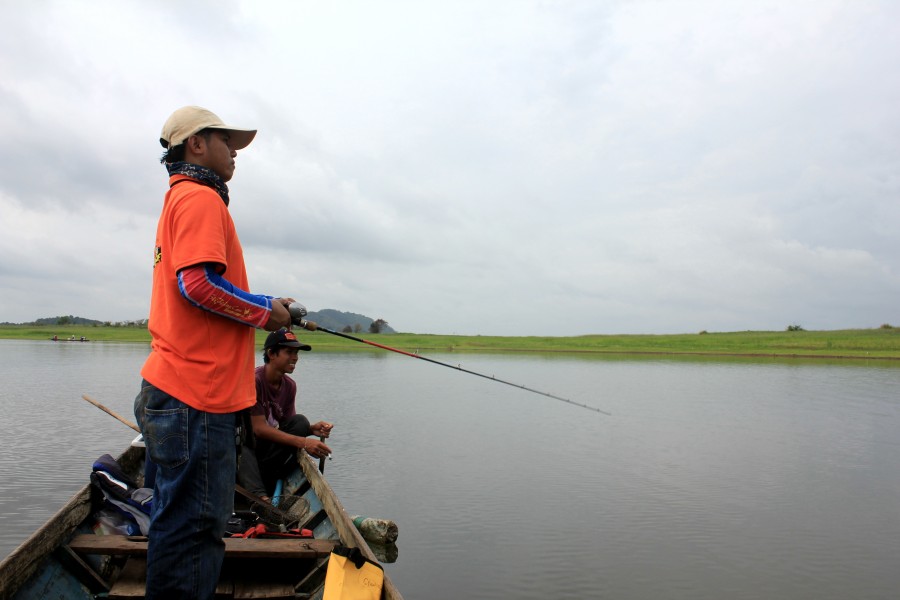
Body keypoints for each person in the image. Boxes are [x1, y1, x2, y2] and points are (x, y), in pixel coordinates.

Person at [134, 106, 297, 600]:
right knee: (199, 528)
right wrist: (266, 311)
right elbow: (199, 285)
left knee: (174, 523)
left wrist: (265, 305)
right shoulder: (202, 199)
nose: (235, 154)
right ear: (197, 145)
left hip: (173, 389)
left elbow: (200, 285)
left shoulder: (177, 200)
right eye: (228, 143)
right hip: (195, 397)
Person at [238, 328, 333, 502]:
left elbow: (287, 425)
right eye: (289, 352)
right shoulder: (255, 381)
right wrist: (304, 442)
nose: (295, 357)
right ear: (271, 353)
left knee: (300, 422)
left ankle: (270, 484)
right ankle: (261, 498)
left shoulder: (289, 386)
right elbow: (258, 429)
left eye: (296, 352)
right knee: (241, 444)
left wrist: (311, 430)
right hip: (246, 451)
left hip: (267, 455)